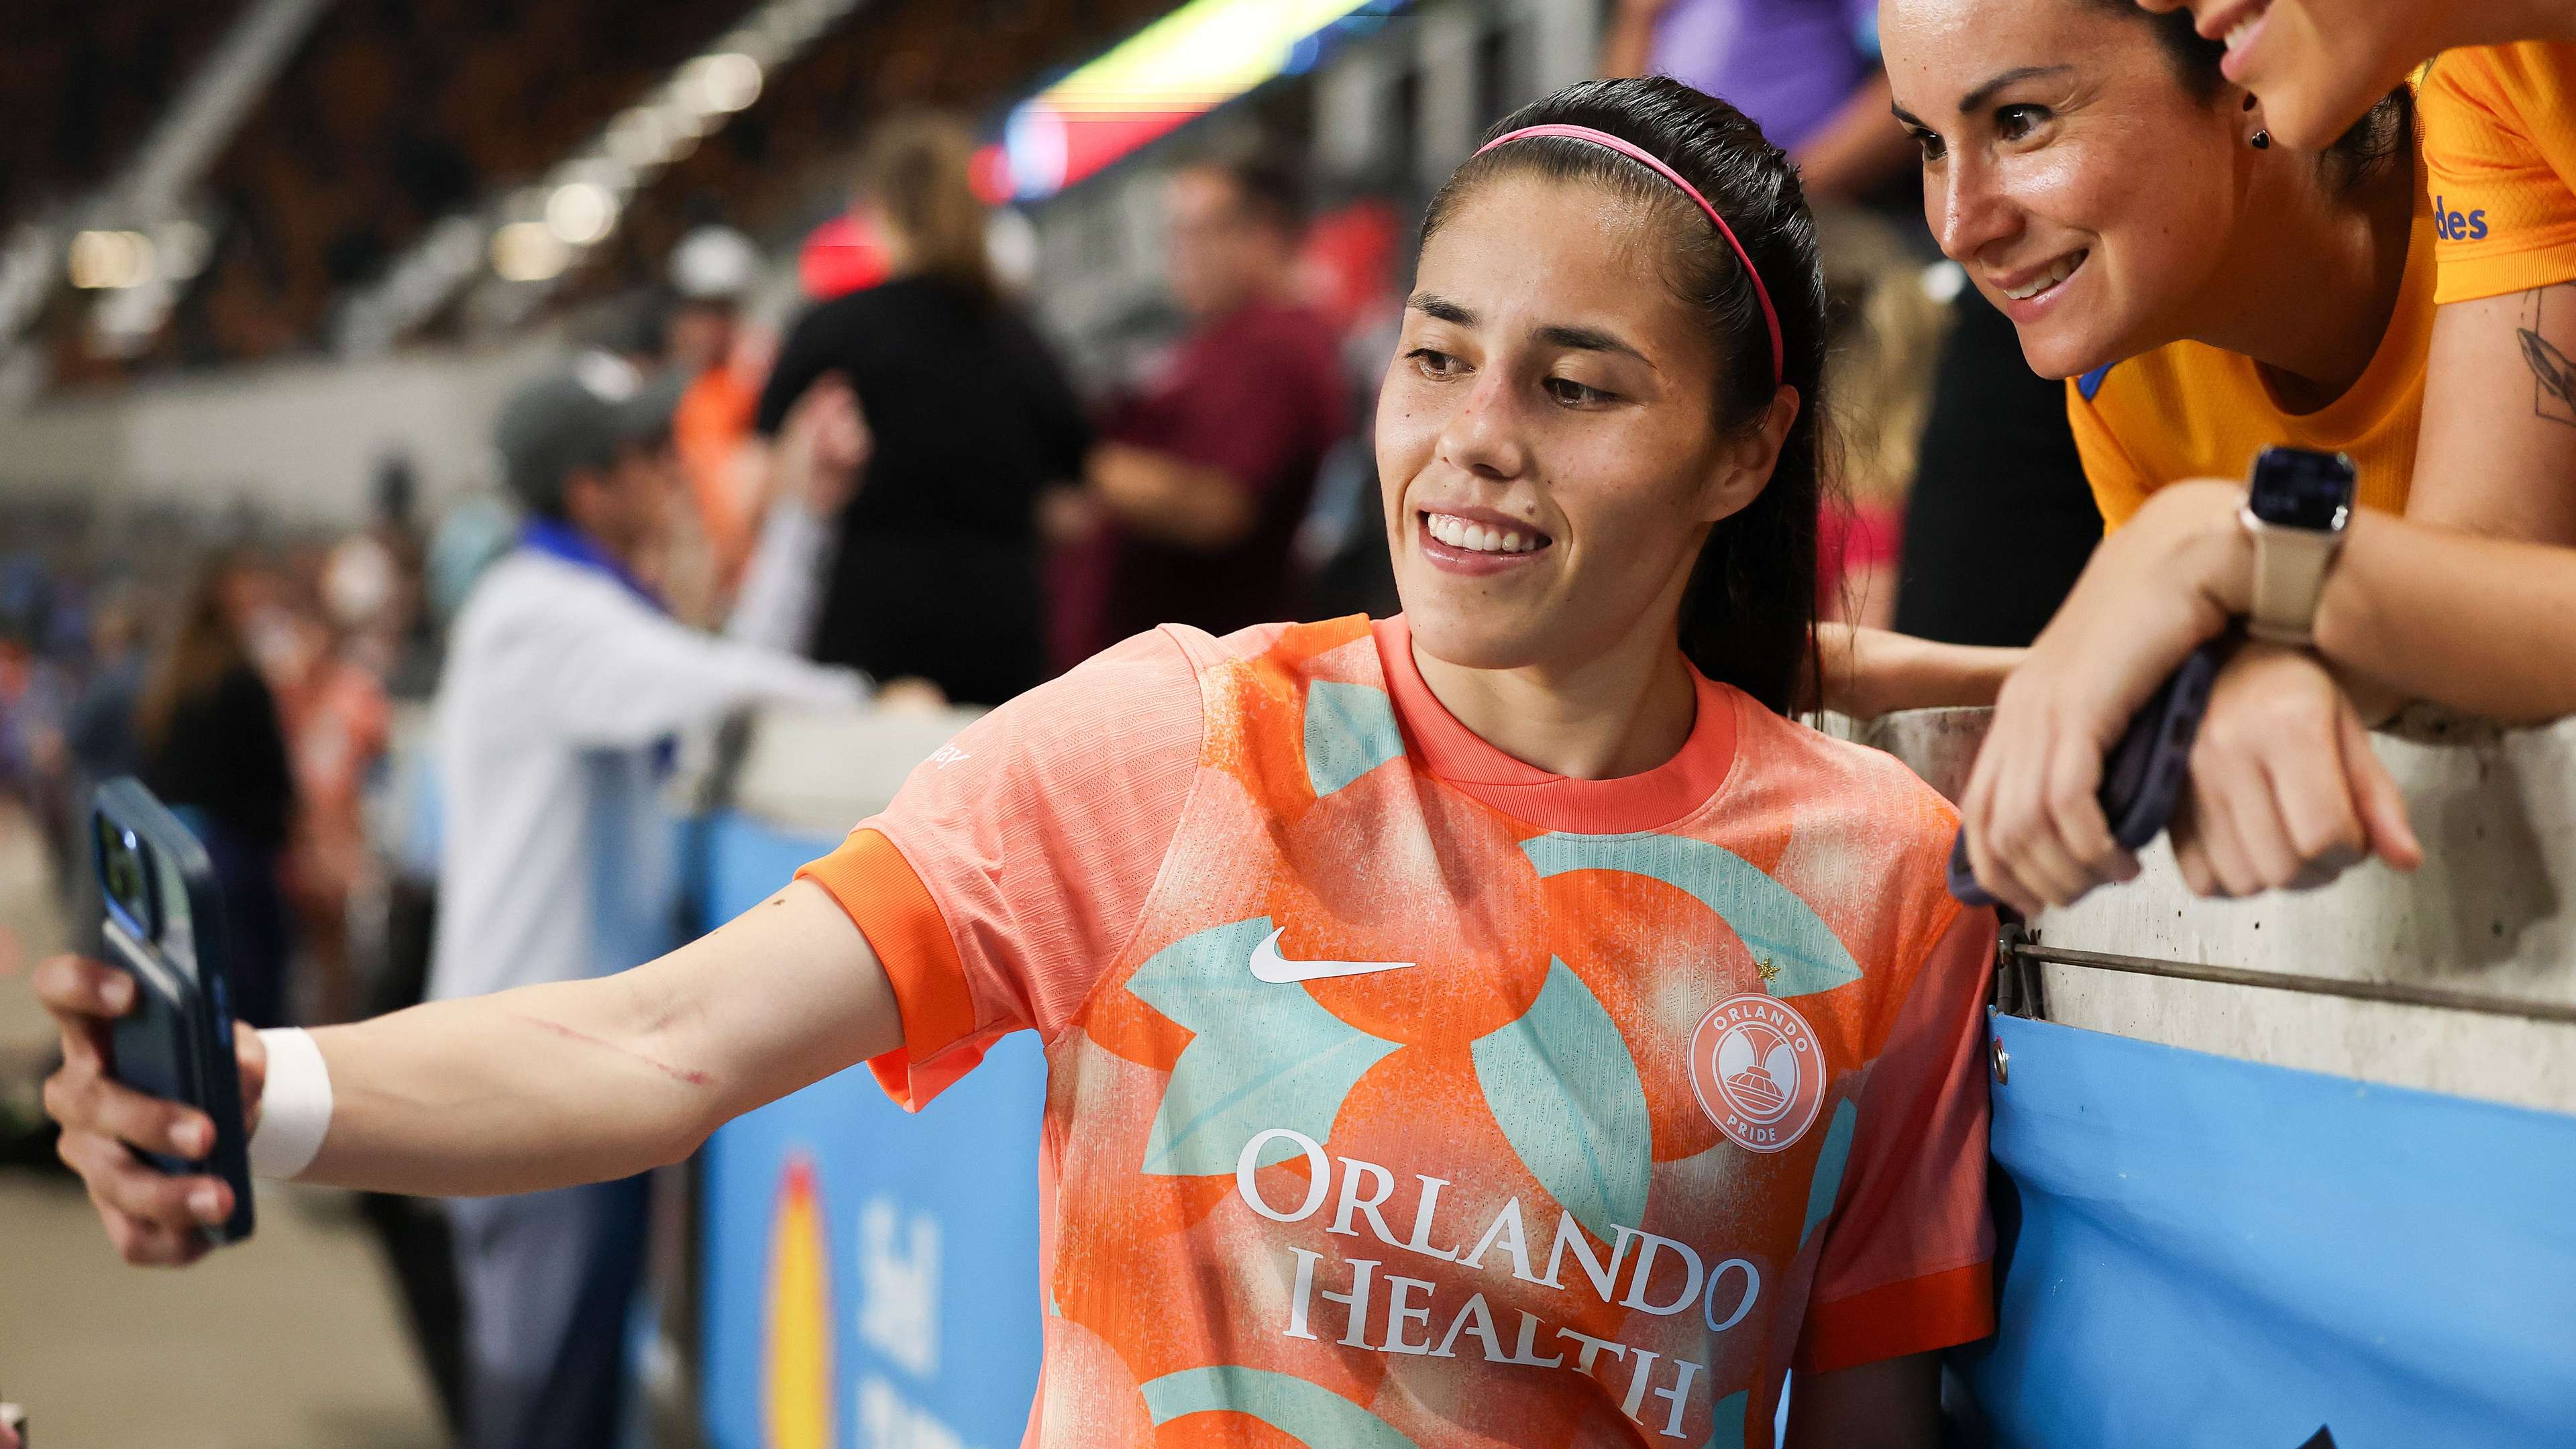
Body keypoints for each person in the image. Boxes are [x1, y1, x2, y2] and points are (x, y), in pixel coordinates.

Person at [40, 78, 1998, 1446]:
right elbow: (658, 1047)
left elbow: (1854, 1414)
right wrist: (256, 1089)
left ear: (1745, 453)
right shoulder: (1180, 741)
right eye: (1431, 354)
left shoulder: (1878, 883)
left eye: (1574, 388)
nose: (1473, 436)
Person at [1950, 0, 2576, 912]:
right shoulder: (2495, 75)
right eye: (1927, 145)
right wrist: (2258, 637)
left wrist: (2237, 554)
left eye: (2021, 122)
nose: (1960, 224)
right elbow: (2485, 596)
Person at [427, 358, 879, 1449]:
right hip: (530, 1069)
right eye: (643, 457)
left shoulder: (567, 608)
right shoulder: (544, 613)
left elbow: (715, 671)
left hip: (548, 1056)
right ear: (588, 490)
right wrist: (875, 704)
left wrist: (805, 522)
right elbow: (730, 684)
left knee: (562, 1388)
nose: (670, 474)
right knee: (547, 1401)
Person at [757, 115, 1089, 705]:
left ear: (876, 208)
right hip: (1003, 638)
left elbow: (761, 473)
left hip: (869, 641)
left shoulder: (832, 332)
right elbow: (1073, 501)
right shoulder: (1021, 341)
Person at [1075, 155, 1350, 649]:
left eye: (1198, 232)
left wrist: (1069, 461)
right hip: (1154, 658)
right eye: (1174, 234)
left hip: (1207, 665)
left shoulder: (1278, 347)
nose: (1180, 253)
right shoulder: (1213, 341)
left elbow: (1220, 507)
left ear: (1264, 234)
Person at [133, 555, 297, 1032]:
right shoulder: (240, 680)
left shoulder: (171, 680)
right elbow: (271, 776)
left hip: (173, 857)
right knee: (249, 1012)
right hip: (233, 863)